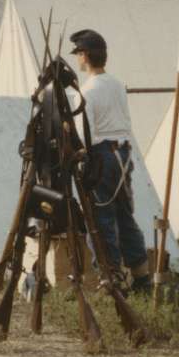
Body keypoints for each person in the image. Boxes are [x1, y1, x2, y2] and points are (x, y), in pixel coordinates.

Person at [70, 29, 152, 293]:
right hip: (123, 154)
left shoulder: (86, 91)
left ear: (85, 55)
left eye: (78, 54)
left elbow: (85, 136)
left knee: (99, 218)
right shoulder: (116, 83)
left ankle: (111, 278)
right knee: (124, 215)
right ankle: (141, 276)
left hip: (102, 156)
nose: (77, 60)